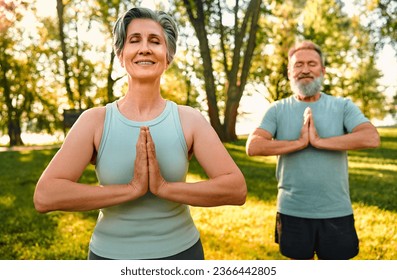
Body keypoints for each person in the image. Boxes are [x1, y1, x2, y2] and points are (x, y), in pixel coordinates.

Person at [33, 7, 246, 260]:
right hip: (110, 257)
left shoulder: (189, 120)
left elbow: (236, 189)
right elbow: (45, 196)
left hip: (182, 254)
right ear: (121, 55)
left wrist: (163, 188)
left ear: (167, 57)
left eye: (155, 41)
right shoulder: (95, 121)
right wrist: (131, 190)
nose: (145, 48)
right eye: (135, 40)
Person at [246, 41, 380, 260]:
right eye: (298, 65)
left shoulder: (343, 106)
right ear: (290, 72)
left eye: (312, 63)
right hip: (292, 210)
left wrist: (318, 141)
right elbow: (253, 146)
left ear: (323, 70)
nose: (305, 69)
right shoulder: (277, 109)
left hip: (336, 210)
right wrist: (298, 143)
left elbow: (371, 137)